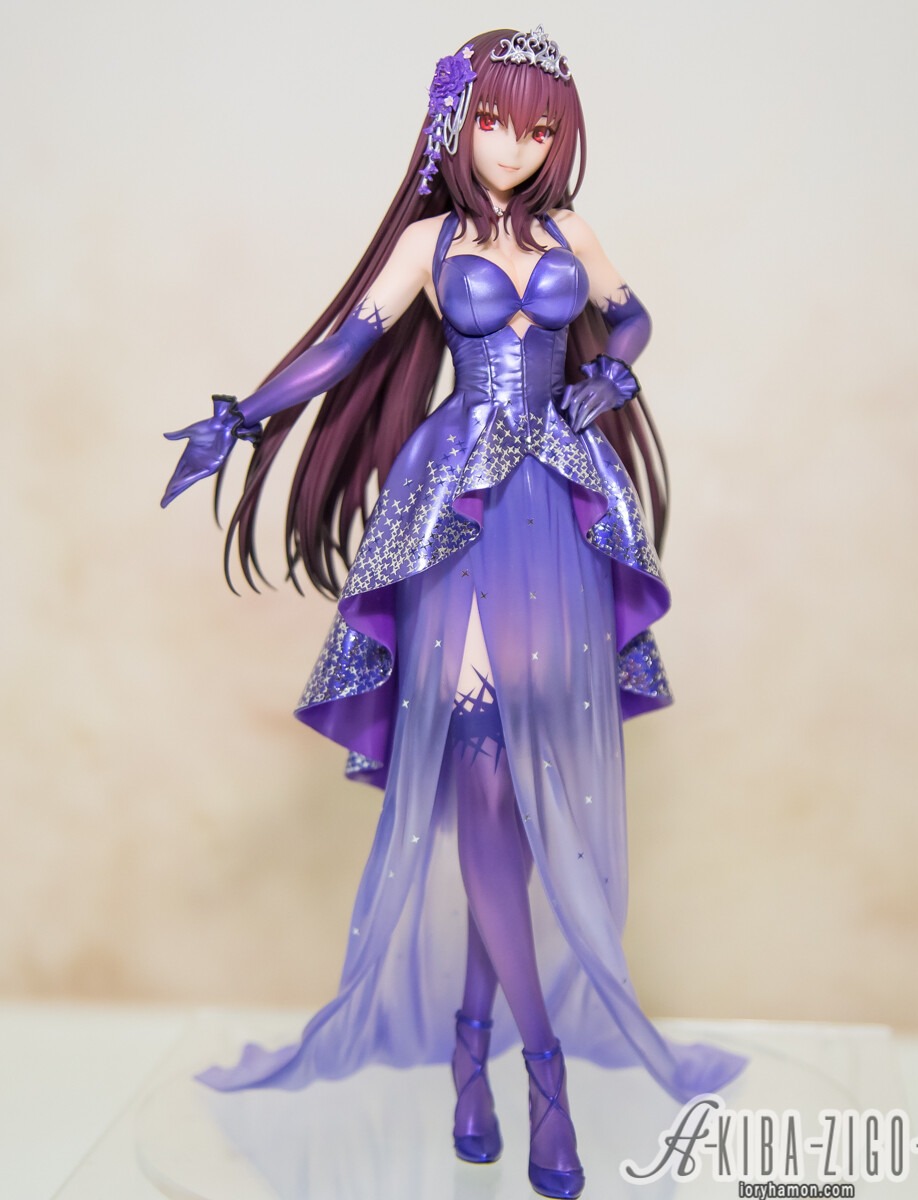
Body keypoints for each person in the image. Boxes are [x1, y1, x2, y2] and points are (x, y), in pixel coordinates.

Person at [162, 26, 747, 1200]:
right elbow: (347, 346)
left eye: (538, 129)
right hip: (459, 513)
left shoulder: (571, 232)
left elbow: (630, 317)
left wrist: (614, 369)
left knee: (518, 798)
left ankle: (469, 1056)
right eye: (494, 121)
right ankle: (542, 1071)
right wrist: (243, 416)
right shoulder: (430, 245)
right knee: (483, 776)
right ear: (455, 121)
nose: (515, 148)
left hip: (561, 509)